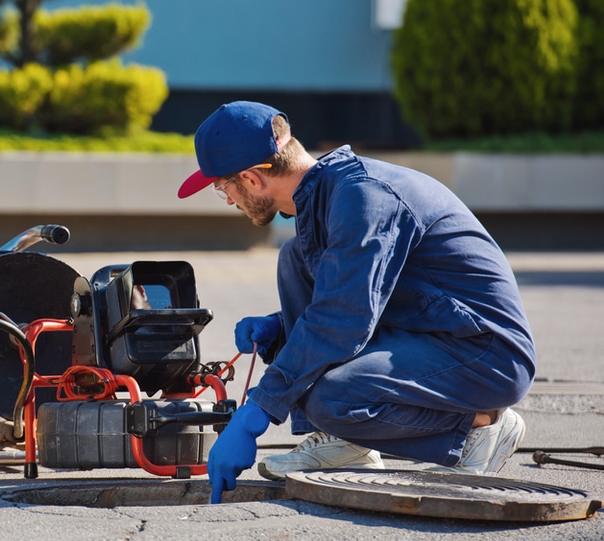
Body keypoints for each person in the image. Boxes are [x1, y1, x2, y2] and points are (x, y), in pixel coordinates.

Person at [177, 101, 536, 504]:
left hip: (485, 354)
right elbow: (355, 295)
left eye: (222, 187)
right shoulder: (329, 199)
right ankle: (347, 445)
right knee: (294, 259)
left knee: (332, 397)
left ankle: (479, 427)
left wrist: (255, 414)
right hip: (433, 333)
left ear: (251, 178)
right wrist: (281, 325)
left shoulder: (364, 198)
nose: (227, 200)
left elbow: (340, 320)